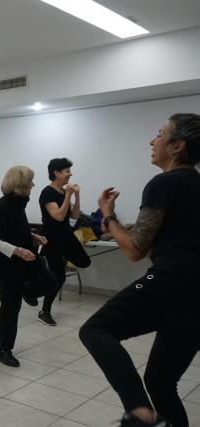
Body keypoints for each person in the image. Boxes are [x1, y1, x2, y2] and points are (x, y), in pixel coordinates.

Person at [79, 114, 200, 427]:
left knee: (95, 330)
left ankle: (141, 413)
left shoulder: (165, 182)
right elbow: (158, 229)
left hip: (174, 279)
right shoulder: (194, 186)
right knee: (161, 381)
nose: (152, 140)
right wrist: (111, 222)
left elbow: (135, 248)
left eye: (159, 134)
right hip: (195, 295)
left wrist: (107, 216)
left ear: (177, 146)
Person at [0, 166, 57, 368]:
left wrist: (32, 236)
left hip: (25, 259)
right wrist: (18, 251)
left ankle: (27, 291)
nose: (33, 184)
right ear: (21, 184)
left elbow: (14, 230)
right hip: (7, 264)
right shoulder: (3, 205)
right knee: (10, 307)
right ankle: (3, 349)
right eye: (30, 181)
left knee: (50, 282)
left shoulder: (18, 204)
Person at [38, 158, 91, 326]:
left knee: (84, 261)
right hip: (51, 239)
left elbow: (74, 216)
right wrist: (68, 195)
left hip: (66, 236)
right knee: (59, 277)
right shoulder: (47, 193)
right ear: (56, 173)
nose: (70, 174)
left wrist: (76, 194)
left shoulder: (63, 192)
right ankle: (44, 311)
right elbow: (58, 216)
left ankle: (34, 287)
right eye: (67, 171)